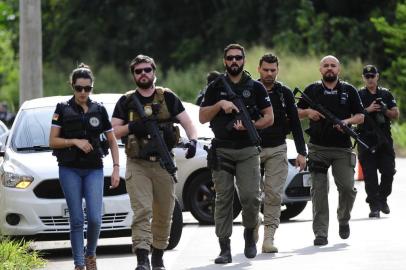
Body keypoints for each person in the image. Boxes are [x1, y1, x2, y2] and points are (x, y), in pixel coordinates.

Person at [111, 54, 197, 270]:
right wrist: (133, 127)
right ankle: (142, 259)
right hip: (137, 164)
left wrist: (193, 141)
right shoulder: (126, 101)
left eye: (147, 70)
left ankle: (158, 255)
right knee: (142, 211)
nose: (143, 74)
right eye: (138, 71)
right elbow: (112, 132)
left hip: (163, 163)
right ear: (133, 75)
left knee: (164, 212)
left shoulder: (167, 97)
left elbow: (188, 123)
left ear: (154, 72)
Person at [199, 43, 274, 263]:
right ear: (225, 61)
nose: (234, 61)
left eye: (238, 58)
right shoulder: (215, 86)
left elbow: (269, 117)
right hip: (222, 148)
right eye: (230, 58)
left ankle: (250, 233)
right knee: (223, 199)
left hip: (248, 150)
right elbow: (203, 116)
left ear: (244, 60)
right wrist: (221, 104)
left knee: (250, 197)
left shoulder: (256, 87)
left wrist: (252, 124)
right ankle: (224, 247)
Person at [49, 63, 120, 270]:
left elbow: (113, 141)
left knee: (96, 218)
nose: (83, 92)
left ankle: (90, 254)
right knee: (77, 218)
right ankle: (79, 264)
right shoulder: (62, 109)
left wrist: (116, 168)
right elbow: (52, 141)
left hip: (94, 169)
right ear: (72, 86)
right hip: (69, 168)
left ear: (91, 87)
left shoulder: (99, 109)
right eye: (79, 88)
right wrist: (74, 141)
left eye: (87, 88)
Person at [297, 55, 364, 246]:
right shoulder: (312, 90)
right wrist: (308, 112)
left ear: (338, 69)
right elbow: (295, 112)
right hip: (318, 147)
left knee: (347, 189)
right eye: (325, 65)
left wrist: (346, 122)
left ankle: (343, 219)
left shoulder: (349, 90)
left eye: (333, 66)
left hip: (342, 148)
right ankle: (321, 233)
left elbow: (361, 116)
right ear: (320, 70)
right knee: (318, 191)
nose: (329, 68)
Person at [257, 53, 307, 253]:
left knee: (274, 195)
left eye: (273, 70)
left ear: (278, 70)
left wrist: (302, 152)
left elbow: (295, 123)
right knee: (251, 195)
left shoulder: (284, 92)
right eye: (266, 70)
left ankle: (268, 238)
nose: (269, 74)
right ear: (259, 69)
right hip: (253, 148)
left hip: (277, 147)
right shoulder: (251, 89)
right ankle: (252, 228)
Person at [357, 65, 399, 218]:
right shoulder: (358, 94)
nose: (370, 79)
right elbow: (351, 114)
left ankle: (383, 198)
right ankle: (374, 206)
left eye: (372, 76)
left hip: (384, 139)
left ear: (377, 76)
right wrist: (367, 110)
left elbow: (396, 114)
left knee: (388, 171)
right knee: (370, 175)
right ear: (363, 78)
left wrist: (384, 110)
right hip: (366, 139)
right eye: (367, 76)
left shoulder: (386, 94)